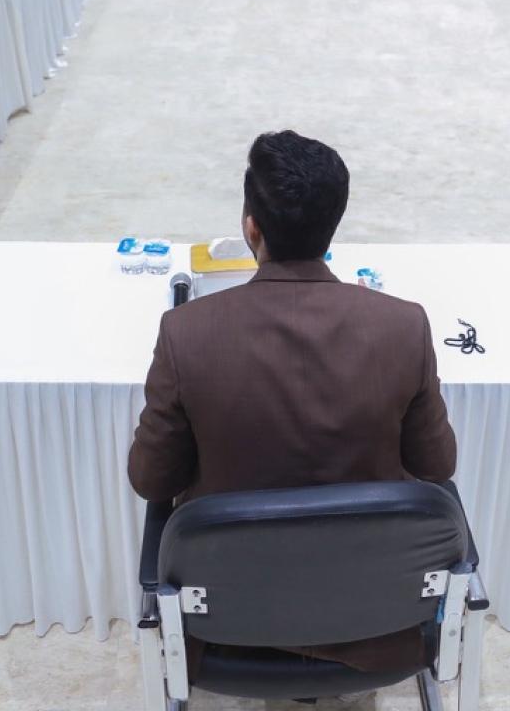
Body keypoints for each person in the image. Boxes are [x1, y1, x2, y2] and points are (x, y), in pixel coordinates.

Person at [128, 130, 457, 674]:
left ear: (250, 227)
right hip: (372, 614)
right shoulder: (404, 327)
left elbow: (151, 480)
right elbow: (437, 465)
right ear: (333, 226)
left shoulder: (185, 333)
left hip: (229, 621)